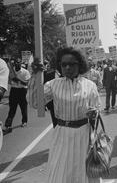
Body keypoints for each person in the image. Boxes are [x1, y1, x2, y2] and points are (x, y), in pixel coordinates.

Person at [27, 47, 101, 183]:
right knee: (60, 171)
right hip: (62, 134)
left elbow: (96, 108)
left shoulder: (90, 85)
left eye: (72, 64)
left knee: (83, 172)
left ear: (80, 65)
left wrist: (94, 113)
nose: (67, 67)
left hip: (84, 135)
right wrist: (34, 76)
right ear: (59, 66)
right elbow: (35, 103)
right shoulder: (53, 85)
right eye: (63, 64)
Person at [3, 58, 31, 134]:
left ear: (21, 63)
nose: (17, 64)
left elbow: (26, 83)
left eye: (18, 62)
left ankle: (24, 121)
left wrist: (17, 80)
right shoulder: (11, 72)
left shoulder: (25, 72)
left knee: (23, 107)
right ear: (14, 63)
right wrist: (11, 80)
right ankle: (8, 125)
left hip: (22, 91)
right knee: (12, 109)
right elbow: (8, 81)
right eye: (15, 63)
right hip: (14, 91)